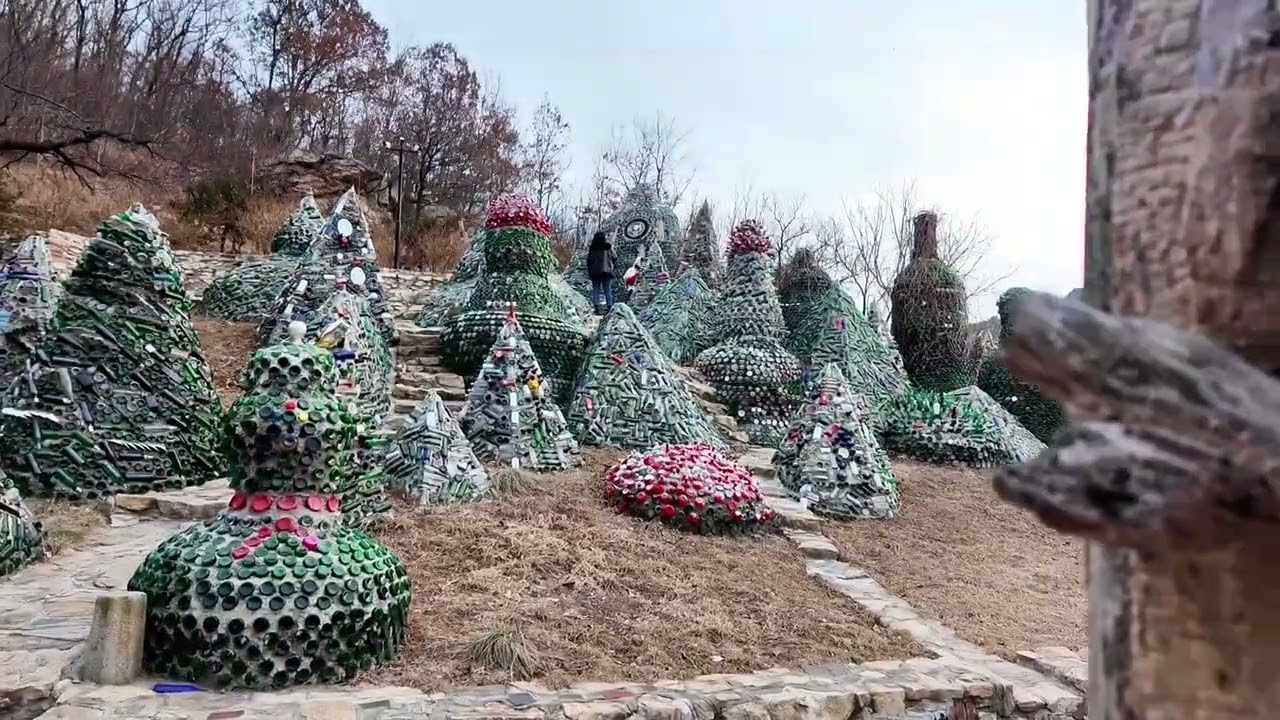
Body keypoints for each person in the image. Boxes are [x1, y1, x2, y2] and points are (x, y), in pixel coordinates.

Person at [585, 231, 617, 314]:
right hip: (606, 271)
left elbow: (589, 260)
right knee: (607, 290)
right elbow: (615, 256)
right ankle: (609, 308)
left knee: (596, 289)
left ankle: (597, 308)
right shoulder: (607, 246)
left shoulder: (593, 247)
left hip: (595, 272)